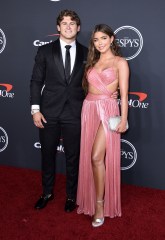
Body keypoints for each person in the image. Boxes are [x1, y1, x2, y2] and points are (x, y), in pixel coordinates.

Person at [30, 9, 88, 212]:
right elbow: (36, 81)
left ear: (78, 28)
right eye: (64, 23)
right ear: (58, 27)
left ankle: (71, 196)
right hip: (48, 112)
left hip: (75, 112)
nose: (68, 26)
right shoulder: (45, 51)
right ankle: (47, 192)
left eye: (72, 23)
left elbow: (93, 82)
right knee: (47, 154)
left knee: (73, 156)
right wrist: (35, 110)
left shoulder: (87, 53)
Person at [76, 24, 129, 227]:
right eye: (96, 40)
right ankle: (91, 198)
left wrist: (123, 119)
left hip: (107, 110)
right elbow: (89, 88)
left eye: (103, 38)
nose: (99, 43)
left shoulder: (120, 62)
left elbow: (123, 95)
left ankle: (100, 204)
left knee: (96, 156)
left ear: (112, 39)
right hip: (88, 108)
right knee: (91, 158)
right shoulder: (92, 63)